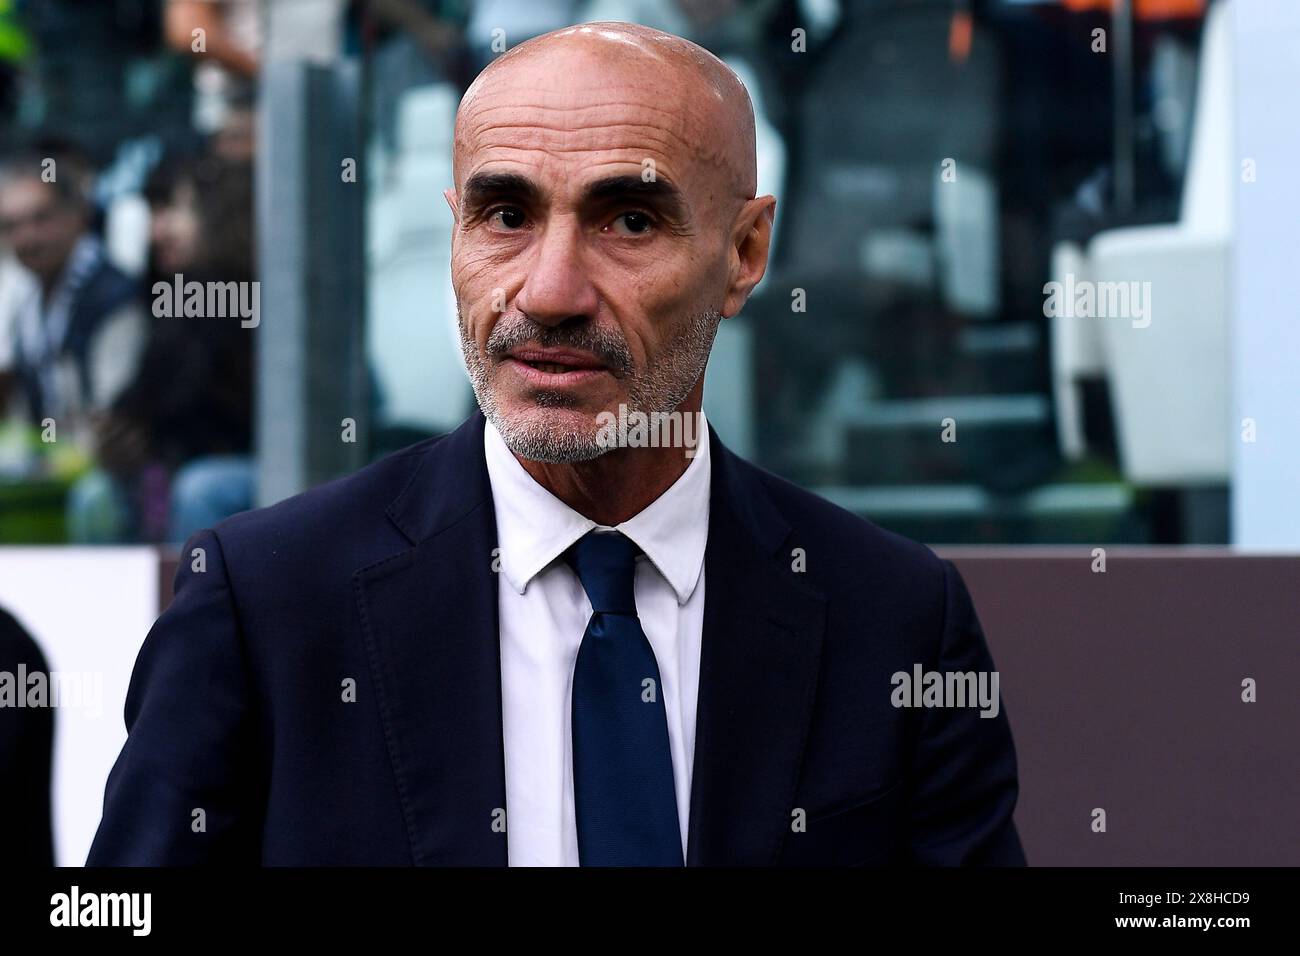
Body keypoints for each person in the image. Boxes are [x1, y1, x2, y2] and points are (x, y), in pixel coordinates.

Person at [87, 22, 1025, 866]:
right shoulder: (268, 606)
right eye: (506, 216)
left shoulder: (895, 620)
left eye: (629, 220)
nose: (550, 291)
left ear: (744, 253)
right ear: (454, 230)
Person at [0, 150, 146, 455]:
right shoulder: (27, 298)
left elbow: (113, 418)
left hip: (105, 470)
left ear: (76, 215)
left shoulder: (112, 294)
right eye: (11, 226)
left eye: (41, 219)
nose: (27, 238)